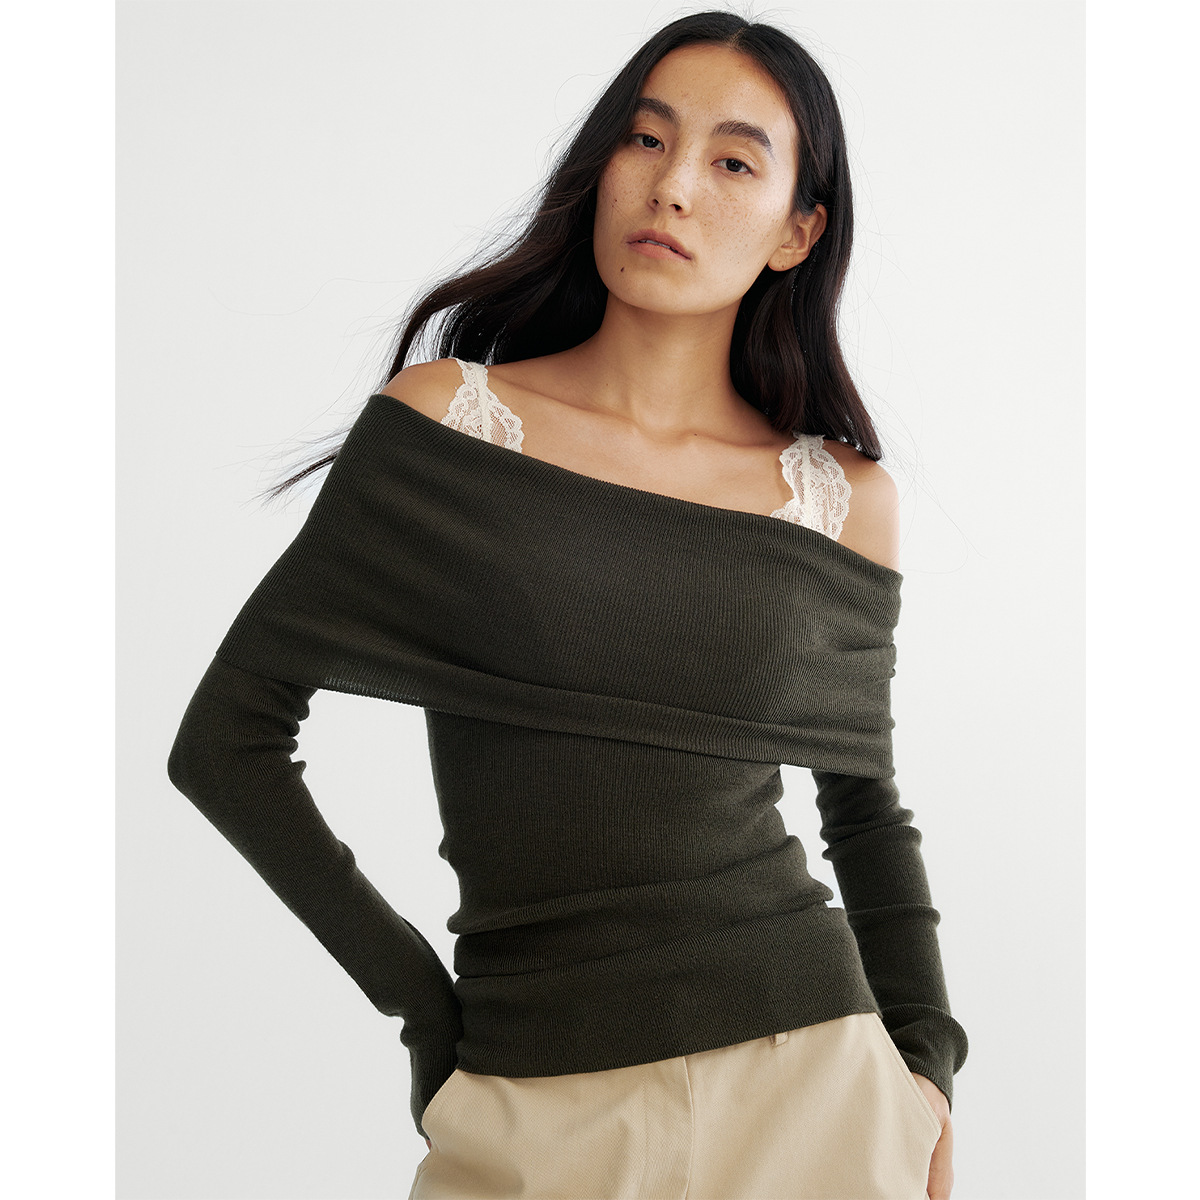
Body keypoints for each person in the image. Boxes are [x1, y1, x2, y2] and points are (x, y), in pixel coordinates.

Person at [167, 10, 968, 1199]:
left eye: (732, 161)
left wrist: (927, 1069)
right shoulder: (450, 426)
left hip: (813, 1087)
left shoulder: (839, 497)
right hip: (530, 1102)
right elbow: (226, 742)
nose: (673, 185)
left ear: (799, 231)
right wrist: (420, 1005)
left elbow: (862, 806)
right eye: (646, 139)